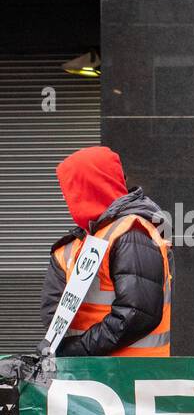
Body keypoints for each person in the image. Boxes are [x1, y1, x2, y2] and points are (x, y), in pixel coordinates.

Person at [41, 146, 172, 357]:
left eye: (71, 188)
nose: (66, 198)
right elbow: (54, 317)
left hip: (131, 376)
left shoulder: (130, 233)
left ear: (88, 186)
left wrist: (76, 350)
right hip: (88, 375)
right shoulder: (72, 246)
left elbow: (137, 314)